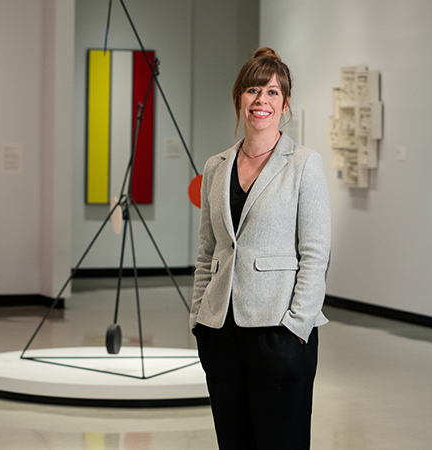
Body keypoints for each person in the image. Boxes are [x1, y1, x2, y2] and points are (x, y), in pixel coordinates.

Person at [190, 47, 331, 449]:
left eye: (271, 92)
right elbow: (208, 250)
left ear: (285, 105)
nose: (261, 101)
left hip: (279, 332)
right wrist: (199, 316)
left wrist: (296, 327)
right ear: (239, 98)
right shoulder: (216, 167)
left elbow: (316, 254)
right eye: (253, 91)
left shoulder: (304, 164)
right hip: (221, 331)